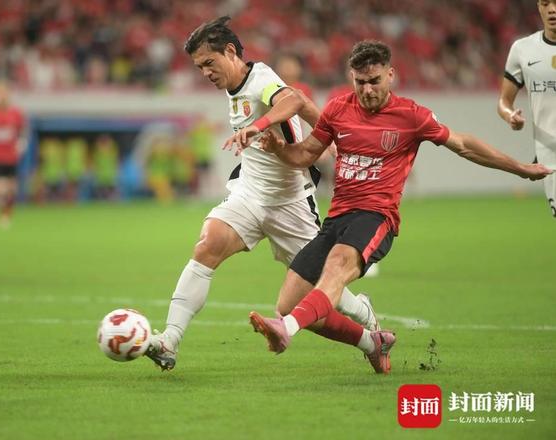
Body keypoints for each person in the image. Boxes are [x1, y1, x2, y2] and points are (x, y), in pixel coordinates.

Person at [245, 40, 552, 374]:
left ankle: (286, 329)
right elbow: (305, 154)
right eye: (360, 82)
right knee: (287, 303)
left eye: (374, 81)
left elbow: (463, 144)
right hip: (337, 218)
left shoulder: (411, 115)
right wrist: (278, 148)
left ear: (390, 75)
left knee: (334, 269)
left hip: (376, 217)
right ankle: (371, 343)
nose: (367, 90)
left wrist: (520, 168)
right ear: (351, 77)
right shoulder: (336, 109)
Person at [145, 17, 379, 371]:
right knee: (207, 244)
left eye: (209, 63)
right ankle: (170, 340)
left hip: (291, 203)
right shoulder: (234, 85)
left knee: (322, 286)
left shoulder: (260, 79)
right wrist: (329, 134)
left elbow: (292, 99)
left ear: (230, 51)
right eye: (199, 67)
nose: (205, 72)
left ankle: (363, 312)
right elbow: (304, 103)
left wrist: (259, 125)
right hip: (251, 193)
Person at [498, 0, 556, 217]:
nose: (552, 9)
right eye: (546, 3)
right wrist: (509, 115)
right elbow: (504, 102)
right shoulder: (523, 49)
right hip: (550, 158)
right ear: (538, 7)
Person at [0, 81, 26, 228]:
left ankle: (6, 215)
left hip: (11, 157)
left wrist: (21, 145)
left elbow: (22, 132)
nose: (2, 96)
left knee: (11, 188)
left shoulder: (16, 113)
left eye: (4, 93)